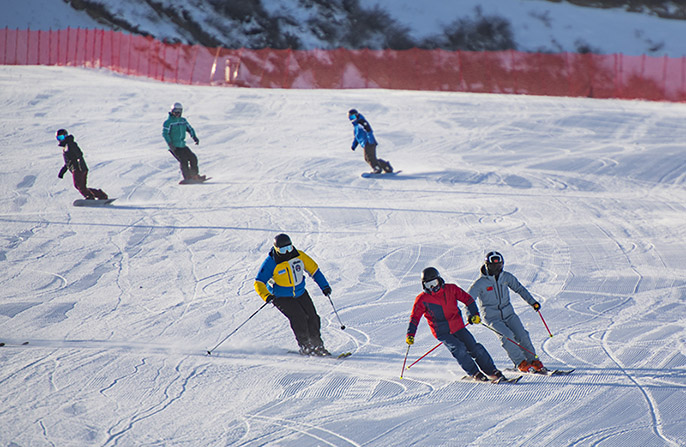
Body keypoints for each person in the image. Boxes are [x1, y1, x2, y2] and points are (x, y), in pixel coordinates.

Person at [406, 267, 505, 382]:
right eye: (429, 285)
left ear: (439, 280)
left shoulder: (451, 289)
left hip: (458, 326)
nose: (433, 287)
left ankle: (491, 371)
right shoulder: (422, 299)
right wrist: (410, 334)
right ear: (424, 285)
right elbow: (414, 317)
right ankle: (474, 373)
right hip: (442, 331)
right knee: (459, 348)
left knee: (474, 348)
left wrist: (474, 314)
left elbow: (468, 299)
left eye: (434, 283)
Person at [254, 234, 333, 356]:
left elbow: (314, 270)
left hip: (300, 292)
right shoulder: (271, 262)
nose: (287, 252)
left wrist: (325, 286)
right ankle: (306, 346)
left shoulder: (299, 256)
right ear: (276, 249)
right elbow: (259, 282)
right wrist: (266, 296)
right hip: (281, 296)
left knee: (312, 316)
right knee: (299, 317)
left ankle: (317, 345)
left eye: (289, 248)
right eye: (283, 250)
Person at [468, 251, 545, 373]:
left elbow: (519, 289)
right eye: (494, 266)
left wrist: (532, 302)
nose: (497, 269)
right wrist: (471, 315)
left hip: (509, 313)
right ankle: (520, 362)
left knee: (522, 334)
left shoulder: (506, 277)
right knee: (507, 337)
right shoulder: (480, 283)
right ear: (487, 266)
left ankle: (533, 360)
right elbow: (469, 299)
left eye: (499, 266)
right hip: (492, 317)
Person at [55, 129, 108, 200]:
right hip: (77, 168)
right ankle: (100, 194)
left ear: (66, 136)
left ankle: (90, 196)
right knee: (81, 186)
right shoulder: (66, 147)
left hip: (78, 168)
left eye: (62, 137)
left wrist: (80, 165)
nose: (60, 140)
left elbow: (79, 154)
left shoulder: (71, 144)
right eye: (58, 138)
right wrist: (62, 171)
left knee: (79, 185)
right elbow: (68, 162)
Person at [162, 102, 205, 182]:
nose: (177, 113)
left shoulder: (183, 121)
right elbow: (165, 134)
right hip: (174, 146)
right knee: (183, 160)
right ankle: (187, 177)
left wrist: (194, 137)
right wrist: (170, 144)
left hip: (182, 145)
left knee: (193, 158)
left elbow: (189, 128)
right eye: (176, 111)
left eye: (179, 111)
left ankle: (194, 175)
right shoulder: (168, 122)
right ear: (172, 111)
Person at [348, 109, 393, 174]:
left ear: (357, 115)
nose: (352, 119)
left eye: (353, 117)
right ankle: (386, 166)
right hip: (365, 143)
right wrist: (354, 145)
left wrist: (370, 141)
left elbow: (369, 131)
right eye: (350, 118)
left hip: (369, 142)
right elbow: (357, 137)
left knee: (369, 158)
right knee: (369, 158)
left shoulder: (361, 122)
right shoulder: (356, 126)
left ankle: (377, 168)